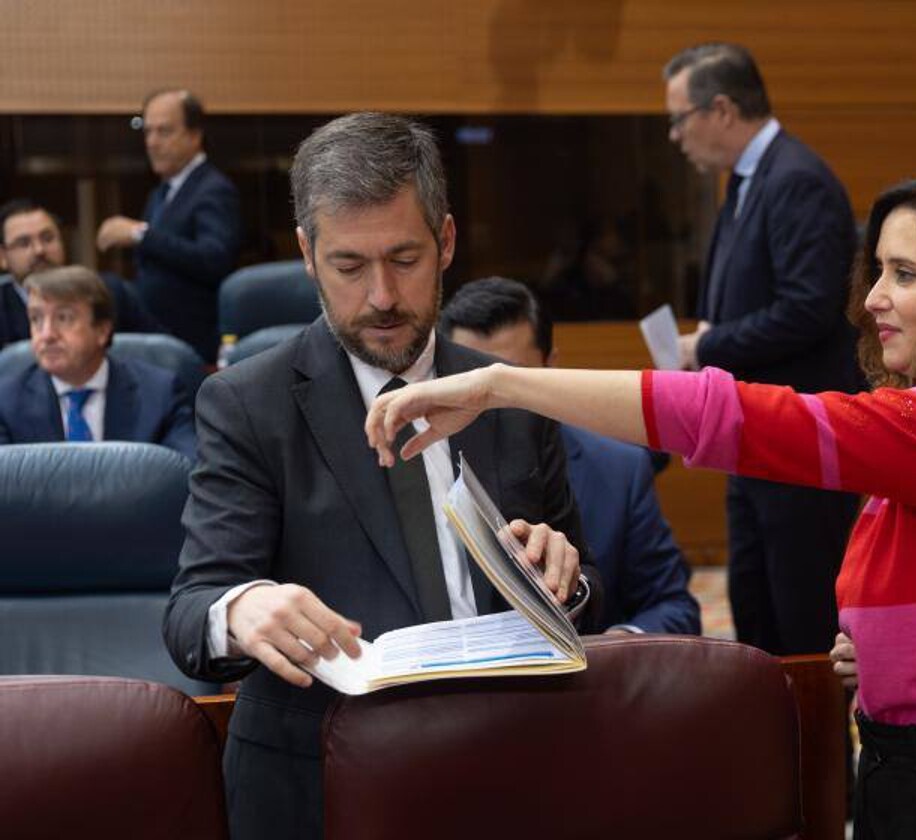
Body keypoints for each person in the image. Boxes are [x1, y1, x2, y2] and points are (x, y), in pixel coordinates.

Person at [366, 164, 916, 838]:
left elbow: (743, 420)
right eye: (879, 270)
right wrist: (886, 655)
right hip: (908, 774)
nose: (875, 298)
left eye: (905, 274)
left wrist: (501, 385)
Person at [162, 113, 599, 840]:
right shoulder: (246, 403)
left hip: (514, 765)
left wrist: (568, 578)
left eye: (404, 258)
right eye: (349, 266)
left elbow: (589, 582)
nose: (382, 297)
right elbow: (190, 610)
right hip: (322, 780)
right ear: (306, 253)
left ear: (448, 241)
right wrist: (241, 608)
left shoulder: (509, 393)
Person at [664, 42, 863, 656]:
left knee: (802, 618)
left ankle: (823, 755)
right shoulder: (749, 182)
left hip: (799, 443)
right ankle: (777, 749)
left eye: (678, 119)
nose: (675, 136)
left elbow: (810, 307)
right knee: (758, 615)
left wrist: (710, 343)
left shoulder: (796, 179)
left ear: (721, 109)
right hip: (754, 437)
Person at [441, 276, 700, 635]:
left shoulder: (619, 469)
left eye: (513, 383)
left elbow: (674, 606)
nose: (492, 401)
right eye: (473, 385)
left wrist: (619, 646)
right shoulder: (427, 467)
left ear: (551, 367)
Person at [96, 89, 240, 362]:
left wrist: (140, 234)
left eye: (163, 132)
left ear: (194, 135)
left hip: (189, 338)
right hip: (157, 331)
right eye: (147, 132)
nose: (152, 142)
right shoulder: (161, 192)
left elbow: (214, 258)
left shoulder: (213, 189)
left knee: (111, 289)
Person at [0, 265, 195, 460]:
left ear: (102, 331)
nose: (47, 334)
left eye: (63, 318)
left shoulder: (160, 394)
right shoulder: (6, 404)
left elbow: (187, 473)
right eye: (36, 319)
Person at [0, 198, 162, 347]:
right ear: (2, 257)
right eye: (23, 243)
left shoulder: (110, 292)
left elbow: (160, 353)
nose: (39, 250)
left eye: (48, 238)